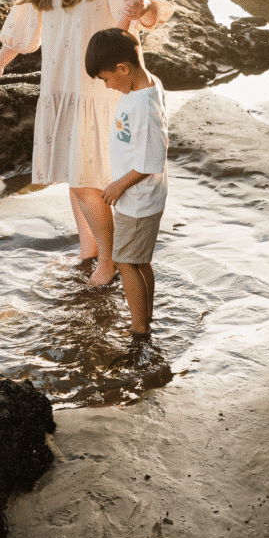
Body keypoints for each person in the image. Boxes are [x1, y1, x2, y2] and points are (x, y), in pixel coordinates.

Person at [0, 0, 172, 286]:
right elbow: (23, 23)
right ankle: (89, 253)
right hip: (60, 86)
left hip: (100, 89)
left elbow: (149, 12)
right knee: (76, 178)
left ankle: (109, 262)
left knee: (89, 181)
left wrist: (142, 9)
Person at [85, 27, 168, 336]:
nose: (107, 86)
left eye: (107, 79)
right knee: (140, 260)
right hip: (145, 197)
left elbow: (151, 159)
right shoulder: (143, 85)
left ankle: (138, 329)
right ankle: (145, 320)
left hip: (138, 198)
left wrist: (118, 185)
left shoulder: (144, 107)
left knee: (125, 262)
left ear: (123, 68)